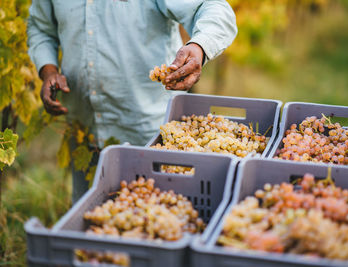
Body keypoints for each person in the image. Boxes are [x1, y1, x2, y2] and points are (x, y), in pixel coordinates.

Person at [27, 0, 237, 203]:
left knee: (155, 218)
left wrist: (199, 46)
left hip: (150, 137)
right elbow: (40, 28)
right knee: (91, 223)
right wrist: (48, 70)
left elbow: (212, 7)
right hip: (84, 132)